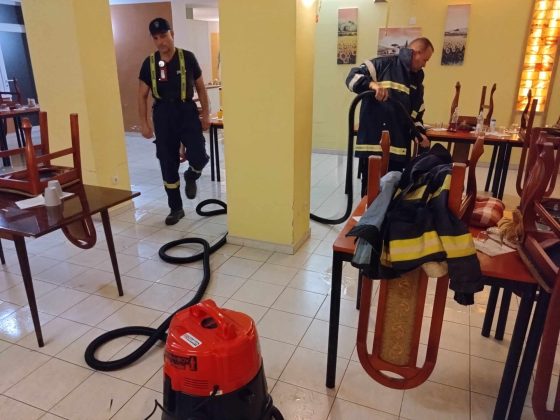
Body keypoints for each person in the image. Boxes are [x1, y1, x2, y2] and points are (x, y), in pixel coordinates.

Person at [138, 17, 210, 225]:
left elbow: (201, 88)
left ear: (172, 34)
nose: (161, 41)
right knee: (167, 162)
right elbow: (141, 95)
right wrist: (144, 123)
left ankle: (191, 175)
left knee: (199, 155)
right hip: (163, 114)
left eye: (164, 36)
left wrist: (206, 114)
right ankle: (176, 208)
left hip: (186, 111)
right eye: (156, 38)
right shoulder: (149, 63)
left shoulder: (187, 58)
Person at [345, 37, 434, 196]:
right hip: (373, 147)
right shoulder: (381, 65)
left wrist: (419, 133)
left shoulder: (416, 82)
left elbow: (415, 115)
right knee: (370, 193)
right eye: (425, 60)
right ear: (416, 53)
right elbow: (351, 78)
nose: (425, 65)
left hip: (398, 149)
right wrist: (372, 85)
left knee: (391, 193)